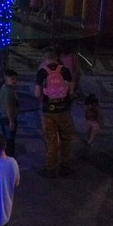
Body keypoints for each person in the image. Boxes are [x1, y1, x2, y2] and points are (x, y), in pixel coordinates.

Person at [35, 48, 74, 178]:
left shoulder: (42, 72)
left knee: (51, 140)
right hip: (64, 110)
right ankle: (66, 166)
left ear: (45, 59)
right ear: (57, 58)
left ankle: (50, 168)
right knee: (66, 139)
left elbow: (37, 93)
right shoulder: (65, 70)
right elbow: (71, 91)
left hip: (48, 111)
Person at [0, 69, 19, 157]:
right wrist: (11, 121)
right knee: (9, 140)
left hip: (3, 116)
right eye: (12, 79)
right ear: (6, 79)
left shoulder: (5, 87)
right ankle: (9, 158)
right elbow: (8, 107)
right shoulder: (9, 92)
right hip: (7, 118)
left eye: (16, 79)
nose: (15, 81)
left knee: (7, 139)